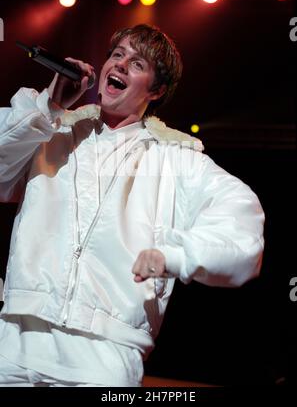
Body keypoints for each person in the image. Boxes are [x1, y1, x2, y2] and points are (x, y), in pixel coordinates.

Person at [0, 24, 265, 387]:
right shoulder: (51, 130)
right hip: (14, 341)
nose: (121, 65)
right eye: (117, 54)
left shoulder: (176, 158)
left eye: (137, 63)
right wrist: (49, 106)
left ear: (156, 91)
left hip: (103, 356)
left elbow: (242, 222)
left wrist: (176, 254)